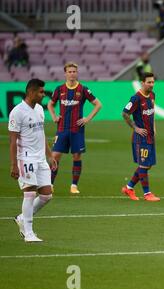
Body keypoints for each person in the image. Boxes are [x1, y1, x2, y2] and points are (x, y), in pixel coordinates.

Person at [9, 79, 58, 242]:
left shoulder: (39, 109)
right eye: (41, 92)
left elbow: (41, 133)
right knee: (29, 194)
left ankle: (22, 218)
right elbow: (13, 140)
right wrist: (14, 164)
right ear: (31, 92)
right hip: (26, 158)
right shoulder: (17, 112)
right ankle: (28, 233)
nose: (44, 95)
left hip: (40, 158)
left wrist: (50, 155)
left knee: (46, 196)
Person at [47, 62, 102, 194]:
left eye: (74, 72)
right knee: (55, 156)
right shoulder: (59, 89)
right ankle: (49, 184)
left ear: (77, 73)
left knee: (76, 156)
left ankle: (74, 186)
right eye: (70, 72)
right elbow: (50, 104)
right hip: (62, 128)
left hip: (77, 129)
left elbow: (98, 104)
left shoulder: (83, 89)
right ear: (65, 73)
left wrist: (87, 118)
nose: (72, 74)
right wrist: (54, 116)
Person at [121, 73, 160, 202]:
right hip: (140, 137)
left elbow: (151, 113)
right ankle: (147, 193)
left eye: (153, 82)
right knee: (143, 165)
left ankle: (129, 187)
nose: (151, 84)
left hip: (150, 136)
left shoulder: (152, 95)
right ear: (142, 83)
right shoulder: (136, 98)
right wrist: (135, 128)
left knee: (147, 165)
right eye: (149, 82)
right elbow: (124, 113)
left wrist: (153, 128)